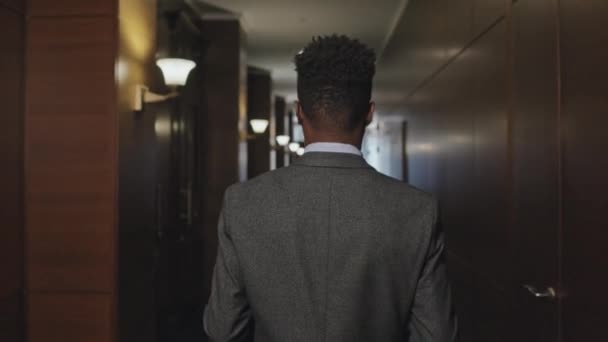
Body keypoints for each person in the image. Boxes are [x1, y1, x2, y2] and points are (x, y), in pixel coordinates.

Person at [203, 35, 458, 342]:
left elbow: (224, 330)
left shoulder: (242, 203)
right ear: (369, 112)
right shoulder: (418, 210)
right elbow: (437, 335)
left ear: (299, 112)